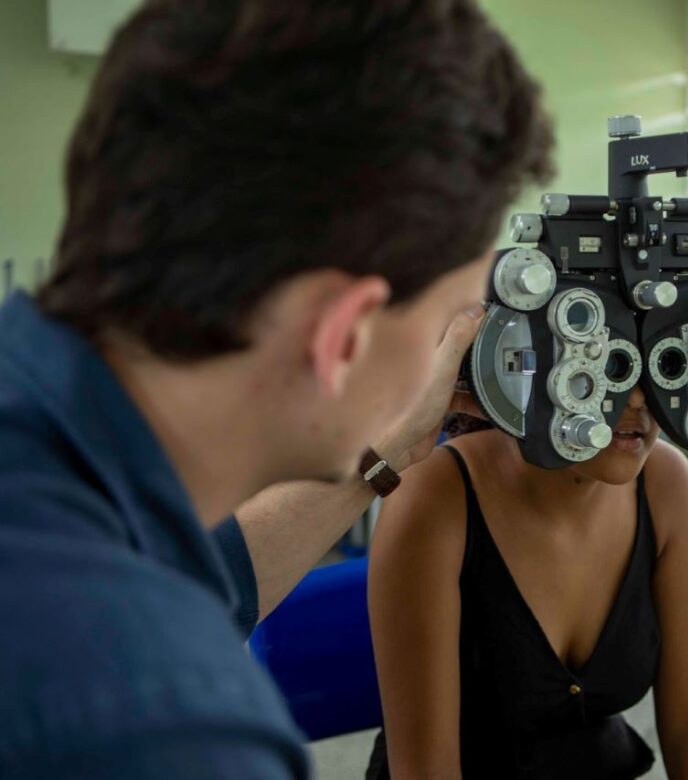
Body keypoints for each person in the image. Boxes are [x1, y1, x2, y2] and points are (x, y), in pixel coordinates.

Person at [0, 0, 552, 777]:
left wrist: (387, 450)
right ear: (344, 335)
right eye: (454, 323)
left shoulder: (39, 434)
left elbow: (196, 566)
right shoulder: (178, 731)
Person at [365, 387, 688, 779]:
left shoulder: (666, 482)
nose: (637, 399)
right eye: (610, 363)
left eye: (653, 362)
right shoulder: (437, 492)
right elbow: (427, 772)